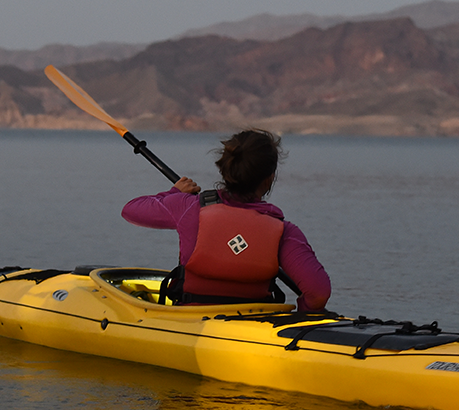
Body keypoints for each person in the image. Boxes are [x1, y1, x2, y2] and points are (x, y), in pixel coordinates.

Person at [121, 129, 330, 312]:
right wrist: (304, 316)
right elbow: (318, 293)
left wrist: (173, 192)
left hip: (190, 320)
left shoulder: (188, 206)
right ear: (269, 179)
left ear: (225, 169)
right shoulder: (284, 231)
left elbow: (131, 210)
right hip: (254, 326)